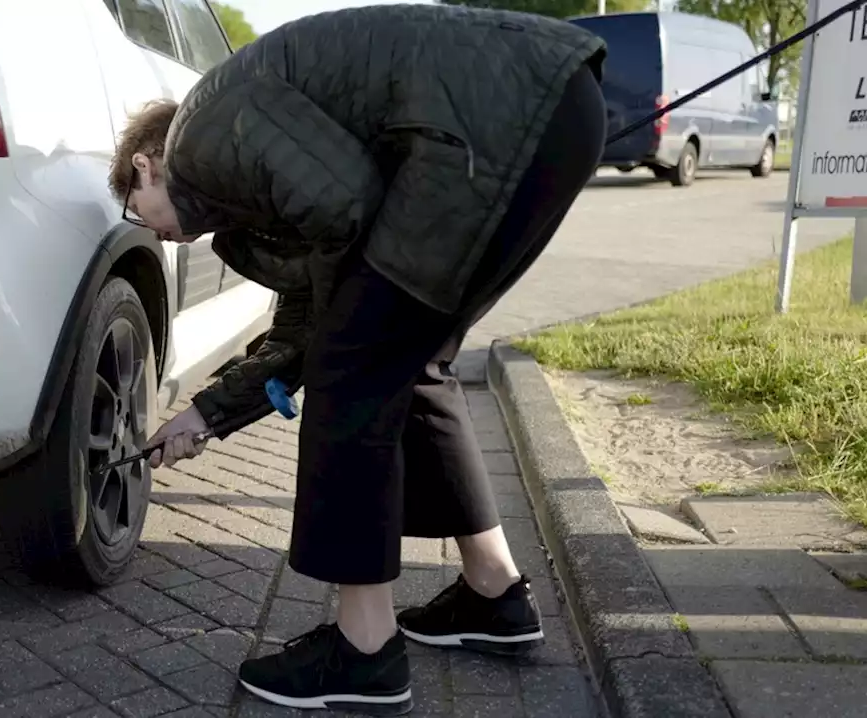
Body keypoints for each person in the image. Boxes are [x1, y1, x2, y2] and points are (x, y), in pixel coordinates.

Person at [110, 4, 606, 713]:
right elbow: (309, 309)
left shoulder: (203, 138)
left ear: (145, 166)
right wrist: (208, 413)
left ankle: (364, 650)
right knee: (413, 364)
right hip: (543, 105)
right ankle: (493, 594)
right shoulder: (245, 163)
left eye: (139, 212)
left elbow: (348, 212)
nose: (156, 236)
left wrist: (342, 353)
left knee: (357, 369)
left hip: (500, 119)